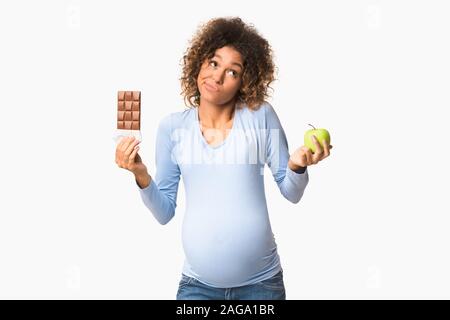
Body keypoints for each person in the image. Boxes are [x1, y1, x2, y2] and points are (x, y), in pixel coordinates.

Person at [115, 17, 332, 300]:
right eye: (214, 63)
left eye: (232, 72)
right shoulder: (172, 128)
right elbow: (164, 212)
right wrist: (140, 174)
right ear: (198, 63)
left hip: (261, 286)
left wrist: (297, 165)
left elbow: (291, 192)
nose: (217, 77)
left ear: (244, 82)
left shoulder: (260, 116)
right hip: (197, 287)